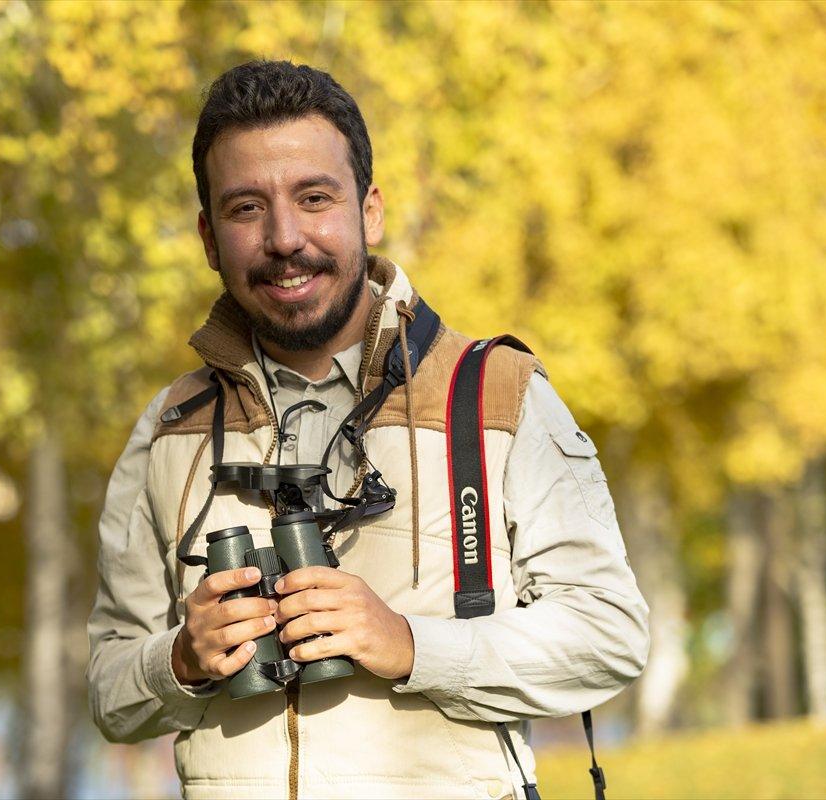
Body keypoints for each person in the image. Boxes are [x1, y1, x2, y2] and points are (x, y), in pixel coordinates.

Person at [87, 60, 649, 800]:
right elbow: (110, 691)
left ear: (370, 210)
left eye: (314, 198)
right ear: (208, 237)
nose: (285, 238)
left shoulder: (494, 395)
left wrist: (412, 645)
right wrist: (182, 661)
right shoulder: (170, 430)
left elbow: (609, 635)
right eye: (247, 208)